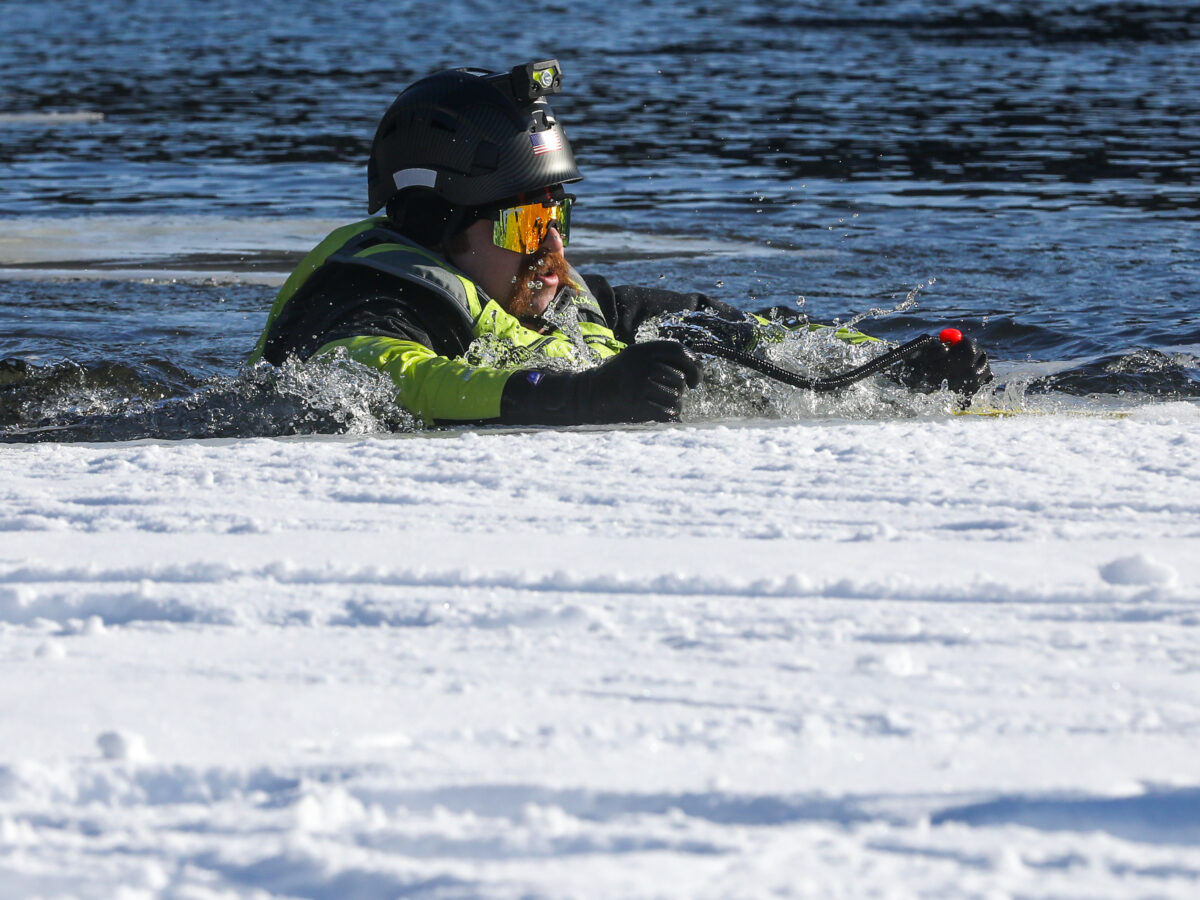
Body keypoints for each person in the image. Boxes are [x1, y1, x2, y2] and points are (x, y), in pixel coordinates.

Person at [250, 59, 990, 426]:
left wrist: (882, 365)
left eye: (557, 220)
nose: (551, 253)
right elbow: (408, 380)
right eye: (526, 225)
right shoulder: (362, 310)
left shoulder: (571, 303)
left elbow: (738, 332)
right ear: (434, 228)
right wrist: (578, 396)